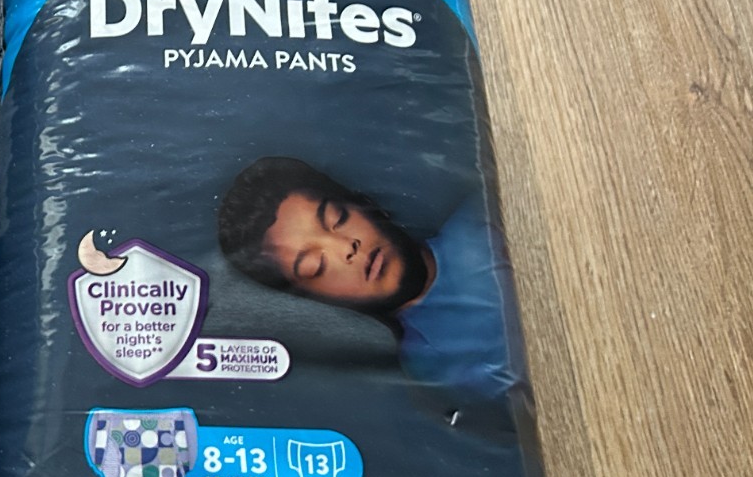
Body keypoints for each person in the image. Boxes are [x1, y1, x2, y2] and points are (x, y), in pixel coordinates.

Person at [217, 156, 525, 401]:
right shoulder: (428, 368)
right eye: (315, 265)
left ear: (365, 204)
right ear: (314, 300)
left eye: (338, 218)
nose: (346, 248)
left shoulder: (485, 217)